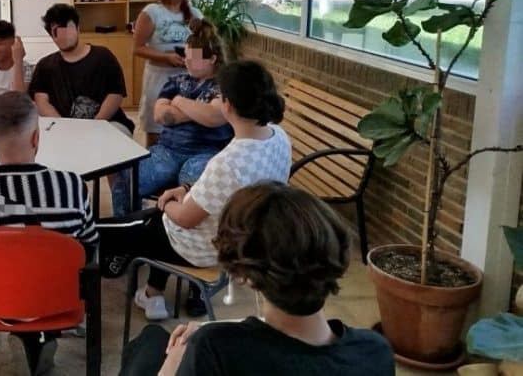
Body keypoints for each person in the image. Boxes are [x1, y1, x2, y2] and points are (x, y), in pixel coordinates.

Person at [119, 182, 395, 376]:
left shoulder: (216, 349)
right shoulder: (375, 351)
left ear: (243, 276)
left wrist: (178, 358)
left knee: (151, 339)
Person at [98, 60, 291, 321]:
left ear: (227, 105)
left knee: (106, 231)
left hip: (204, 248)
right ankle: (152, 293)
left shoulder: (228, 161)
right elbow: (222, 190)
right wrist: (187, 189)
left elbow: (184, 219)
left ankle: (115, 273)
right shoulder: (278, 137)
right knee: (152, 222)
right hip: (245, 237)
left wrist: (167, 202)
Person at [0, 91, 98, 375]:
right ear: (36, 137)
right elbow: (89, 245)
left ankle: (24, 334)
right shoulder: (71, 185)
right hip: (56, 301)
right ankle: (37, 337)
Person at [109, 19, 233, 217]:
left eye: (194, 58)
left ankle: (178, 232)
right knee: (125, 177)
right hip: (167, 151)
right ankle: (129, 226)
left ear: (212, 58)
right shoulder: (177, 81)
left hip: (206, 152)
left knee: (192, 187)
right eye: (186, 56)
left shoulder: (224, 85)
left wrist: (179, 101)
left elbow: (214, 116)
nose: (187, 61)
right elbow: (160, 115)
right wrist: (198, 109)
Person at [28, 3, 134, 136]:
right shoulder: (45, 66)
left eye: (68, 28)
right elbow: (41, 101)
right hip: (63, 128)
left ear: (78, 28)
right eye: (57, 31)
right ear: (52, 36)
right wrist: (65, 128)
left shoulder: (103, 57)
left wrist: (95, 125)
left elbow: (115, 94)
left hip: (108, 123)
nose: (65, 35)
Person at [132, 0, 202, 147]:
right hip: (158, 79)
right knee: (156, 131)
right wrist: (166, 58)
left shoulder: (195, 14)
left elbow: (204, 46)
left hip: (187, 80)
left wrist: (191, 60)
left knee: (184, 129)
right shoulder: (152, 12)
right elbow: (138, 48)